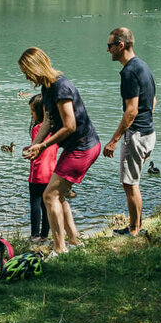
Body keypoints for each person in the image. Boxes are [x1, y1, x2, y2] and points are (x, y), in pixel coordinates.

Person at [19, 47, 100, 257]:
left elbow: (69, 126)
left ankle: (59, 248)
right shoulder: (47, 88)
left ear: (36, 67)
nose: (26, 77)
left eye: (27, 71)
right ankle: (73, 242)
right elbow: (48, 121)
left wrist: (44, 146)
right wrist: (34, 145)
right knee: (58, 195)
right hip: (75, 147)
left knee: (50, 195)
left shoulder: (60, 87)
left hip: (83, 147)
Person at [102, 27, 156, 236]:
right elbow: (152, 100)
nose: (108, 50)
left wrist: (114, 140)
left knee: (130, 184)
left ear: (120, 46)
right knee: (132, 183)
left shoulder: (129, 72)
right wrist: (147, 121)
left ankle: (134, 230)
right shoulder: (143, 66)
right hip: (148, 132)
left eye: (110, 45)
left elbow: (131, 111)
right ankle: (136, 226)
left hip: (136, 134)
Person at [27, 94, 58, 242]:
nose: (31, 114)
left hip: (37, 173)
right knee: (47, 206)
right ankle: (45, 235)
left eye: (33, 110)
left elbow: (35, 151)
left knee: (35, 204)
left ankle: (34, 235)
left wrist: (27, 151)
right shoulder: (55, 129)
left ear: (40, 112)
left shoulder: (37, 129)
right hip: (51, 173)